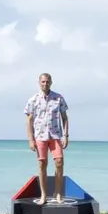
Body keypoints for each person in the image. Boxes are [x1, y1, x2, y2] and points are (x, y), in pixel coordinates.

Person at [24, 72, 70, 205]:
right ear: (39, 83)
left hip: (55, 135)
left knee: (59, 162)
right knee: (42, 164)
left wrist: (66, 136)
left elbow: (65, 118)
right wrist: (30, 139)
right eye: (43, 81)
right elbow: (29, 120)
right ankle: (43, 195)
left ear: (51, 82)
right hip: (40, 136)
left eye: (47, 81)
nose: (45, 84)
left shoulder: (58, 98)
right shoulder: (33, 99)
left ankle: (58, 193)